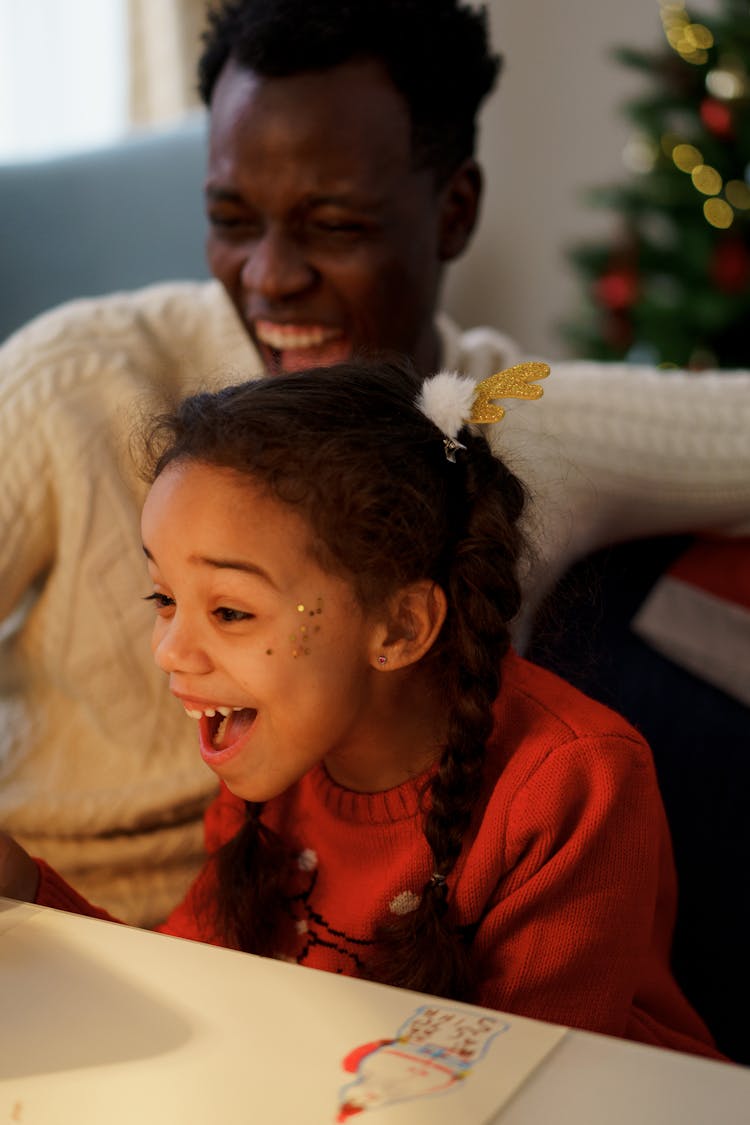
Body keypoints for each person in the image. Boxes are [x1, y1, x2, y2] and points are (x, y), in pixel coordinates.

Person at [1, 0, 749, 929]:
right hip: (60, 916)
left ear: (455, 209)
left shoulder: (504, 418)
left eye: (335, 225)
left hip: (356, 966)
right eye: (233, 219)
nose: (270, 277)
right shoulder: (73, 382)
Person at [0, 359, 723, 1059]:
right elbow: (193, 986)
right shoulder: (281, 746)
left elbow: (520, 1084)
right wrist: (26, 890)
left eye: (228, 610)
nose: (169, 650)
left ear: (400, 627)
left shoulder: (575, 782)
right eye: (163, 599)